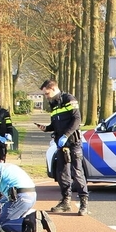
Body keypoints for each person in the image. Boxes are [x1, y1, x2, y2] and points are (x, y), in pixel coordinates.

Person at [38, 79, 89, 215]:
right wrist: (46, 128)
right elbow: (55, 124)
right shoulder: (54, 105)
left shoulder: (69, 99)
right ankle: (66, 201)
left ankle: (84, 203)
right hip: (61, 144)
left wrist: (66, 135)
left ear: (53, 89)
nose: (46, 96)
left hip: (73, 142)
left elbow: (77, 119)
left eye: (47, 93)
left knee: (77, 172)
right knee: (62, 173)